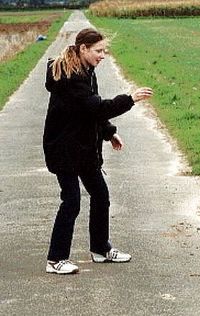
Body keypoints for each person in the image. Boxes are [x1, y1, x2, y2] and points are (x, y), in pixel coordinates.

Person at [43, 28, 153, 274]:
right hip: (64, 149)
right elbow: (98, 106)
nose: (103, 55)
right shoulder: (71, 77)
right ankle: (55, 259)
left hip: (82, 148)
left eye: (104, 50)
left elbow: (89, 111)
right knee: (71, 201)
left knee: (101, 195)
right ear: (83, 49)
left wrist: (108, 132)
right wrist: (130, 99)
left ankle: (101, 249)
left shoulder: (85, 71)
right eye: (98, 51)